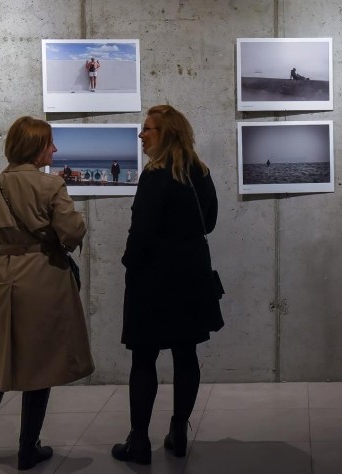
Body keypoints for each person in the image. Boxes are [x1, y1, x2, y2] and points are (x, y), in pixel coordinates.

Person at [0, 116, 94, 471]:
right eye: (50, 143)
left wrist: (6, 248)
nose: (55, 149)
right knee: (40, 362)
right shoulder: (51, 186)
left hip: (4, 277)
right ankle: (27, 448)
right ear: (35, 147)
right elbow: (71, 232)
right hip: (44, 277)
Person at [112, 105, 222, 465]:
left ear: (167, 133)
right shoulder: (199, 172)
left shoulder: (156, 175)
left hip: (154, 277)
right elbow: (209, 222)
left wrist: (129, 261)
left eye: (148, 129)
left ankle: (139, 441)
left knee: (144, 358)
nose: (142, 135)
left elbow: (141, 231)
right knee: (186, 354)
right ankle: (178, 431)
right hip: (191, 273)